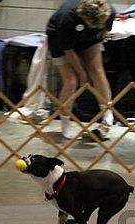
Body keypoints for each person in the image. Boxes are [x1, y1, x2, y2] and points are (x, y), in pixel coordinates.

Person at [46, 0, 116, 140]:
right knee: (71, 81)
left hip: (90, 39)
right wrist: (81, 72)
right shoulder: (68, 16)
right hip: (59, 38)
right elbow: (68, 49)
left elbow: (103, 33)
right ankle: (65, 123)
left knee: (98, 72)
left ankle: (107, 115)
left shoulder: (110, 12)